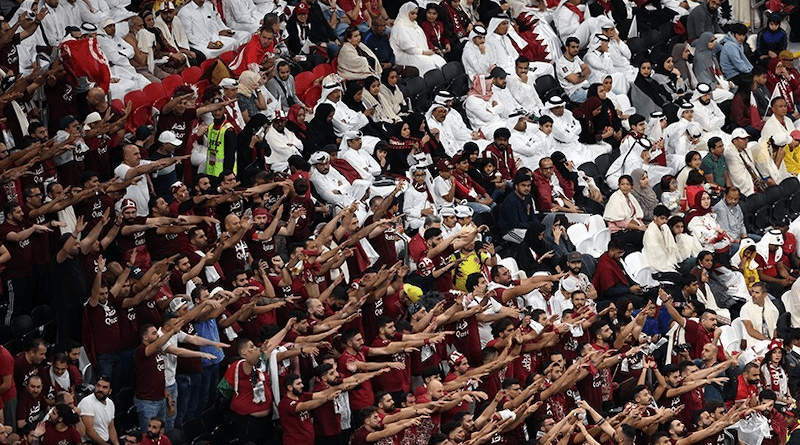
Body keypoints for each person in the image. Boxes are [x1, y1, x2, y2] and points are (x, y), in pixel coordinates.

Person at [390, 3, 446, 75]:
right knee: (428, 64)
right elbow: (407, 47)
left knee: (440, 60)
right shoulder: (399, 27)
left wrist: (426, 51)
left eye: (416, 14)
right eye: (412, 14)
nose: (415, 16)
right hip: (405, 56)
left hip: (419, 52)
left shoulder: (414, 25)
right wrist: (423, 52)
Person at [77, 376, 117, 445]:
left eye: (104, 387)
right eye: (98, 386)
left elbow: (111, 427)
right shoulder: (87, 402)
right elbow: (89, 431)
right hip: (90, 442)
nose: (100, 389)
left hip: (104, 441)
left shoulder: (110, 403)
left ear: (110, 391)